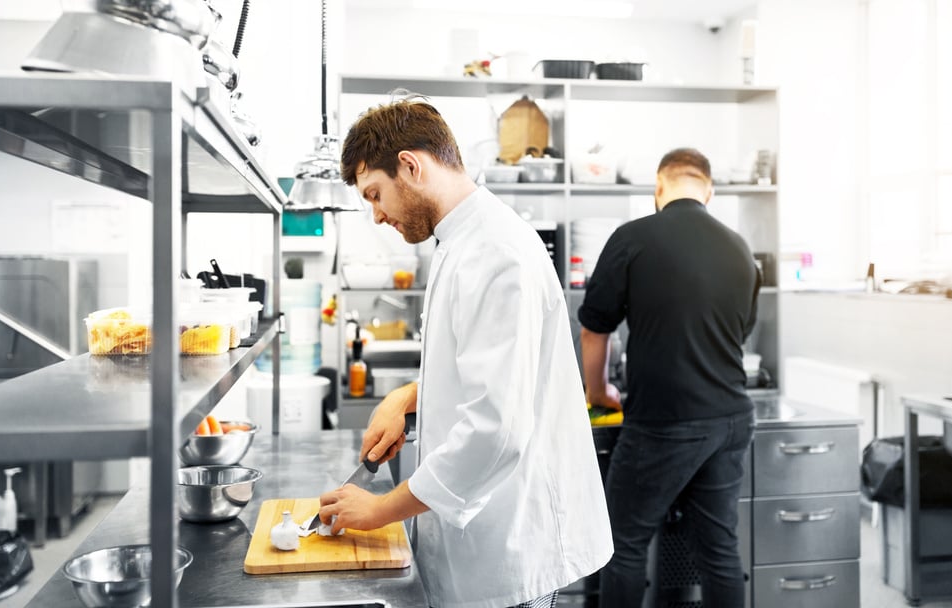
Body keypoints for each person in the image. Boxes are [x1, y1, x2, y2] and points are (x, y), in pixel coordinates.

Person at [319, 97, 613, 608]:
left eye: (376, 194)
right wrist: (408, 398)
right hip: (482, 543)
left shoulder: (496, 252)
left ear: (410, 166)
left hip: (509, 553)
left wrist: (383, 508)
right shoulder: (462, 241)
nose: (377, 215)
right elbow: (479, 369)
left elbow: (495, 429)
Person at [578, 148, 760, 608]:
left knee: (624, 543)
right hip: (730, 418)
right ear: (708, 189)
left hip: (662, 421)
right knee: (719, 551)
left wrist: (597, 391)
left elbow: (594, 329)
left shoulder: (632, 238)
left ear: (658, 188)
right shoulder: (740, 249)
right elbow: (739, 333)